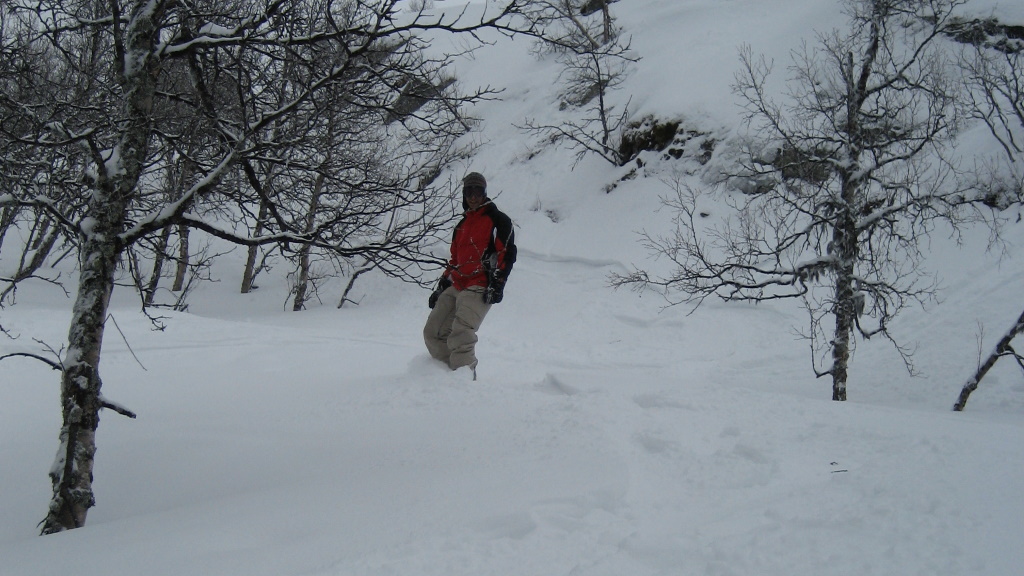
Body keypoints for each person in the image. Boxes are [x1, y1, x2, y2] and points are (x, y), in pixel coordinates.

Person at [423, 172, 516, 379]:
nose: (473, 197)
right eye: (469, 192)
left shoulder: (498, 220)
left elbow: (506, 253)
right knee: (433, 332)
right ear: (464, 195)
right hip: (458, 283)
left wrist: (497, 284)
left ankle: (463, 386)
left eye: (478, 191)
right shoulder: (461, 225)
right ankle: (444, 377)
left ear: (484, 193)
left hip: (480, 284)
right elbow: (455, 260)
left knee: (461, 333)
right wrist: (442, 285)